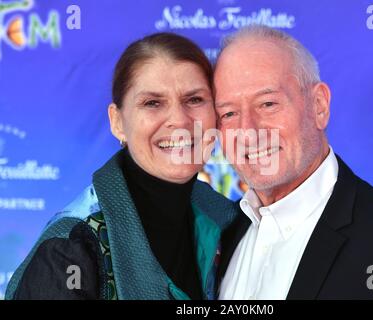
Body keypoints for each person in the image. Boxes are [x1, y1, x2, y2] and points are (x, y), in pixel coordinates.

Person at [214, 25, 373, 300]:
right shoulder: (216, 232)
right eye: (229, 113)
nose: (248, 131)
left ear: (319, 106)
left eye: (267, 104)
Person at [6, 32, 238, 300]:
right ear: (117, 122)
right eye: (153, 103)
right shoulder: (71, 247)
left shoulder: (229, 221)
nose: (180, 120)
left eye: (194, 99)